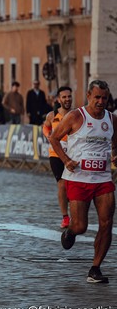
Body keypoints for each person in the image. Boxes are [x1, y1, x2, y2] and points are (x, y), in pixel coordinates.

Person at [49, 80, 116, 284]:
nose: (100, 102)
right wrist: (66, 160)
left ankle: (95, 268)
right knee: (81, 226)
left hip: (103, 179)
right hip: (78, 179)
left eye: (104, 98)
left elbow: (115, 144)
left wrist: (115, 154)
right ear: (88, 96)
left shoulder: (112, 119)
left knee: (107, 223)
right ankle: (71, 231)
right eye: (97, 97)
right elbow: (54, 138)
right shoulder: (76, 116)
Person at [42, 86, 73, 228]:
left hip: (72, 154)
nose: (67, 99)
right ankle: (65, 217)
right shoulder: (52, 115)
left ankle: (76, 213)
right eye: (64, 97)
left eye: (69, 96)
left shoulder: (76, 114)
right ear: (59, 99)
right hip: (55, 154)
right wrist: (48, 135)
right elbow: (46, 126)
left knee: (72, 186)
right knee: (61, 185)